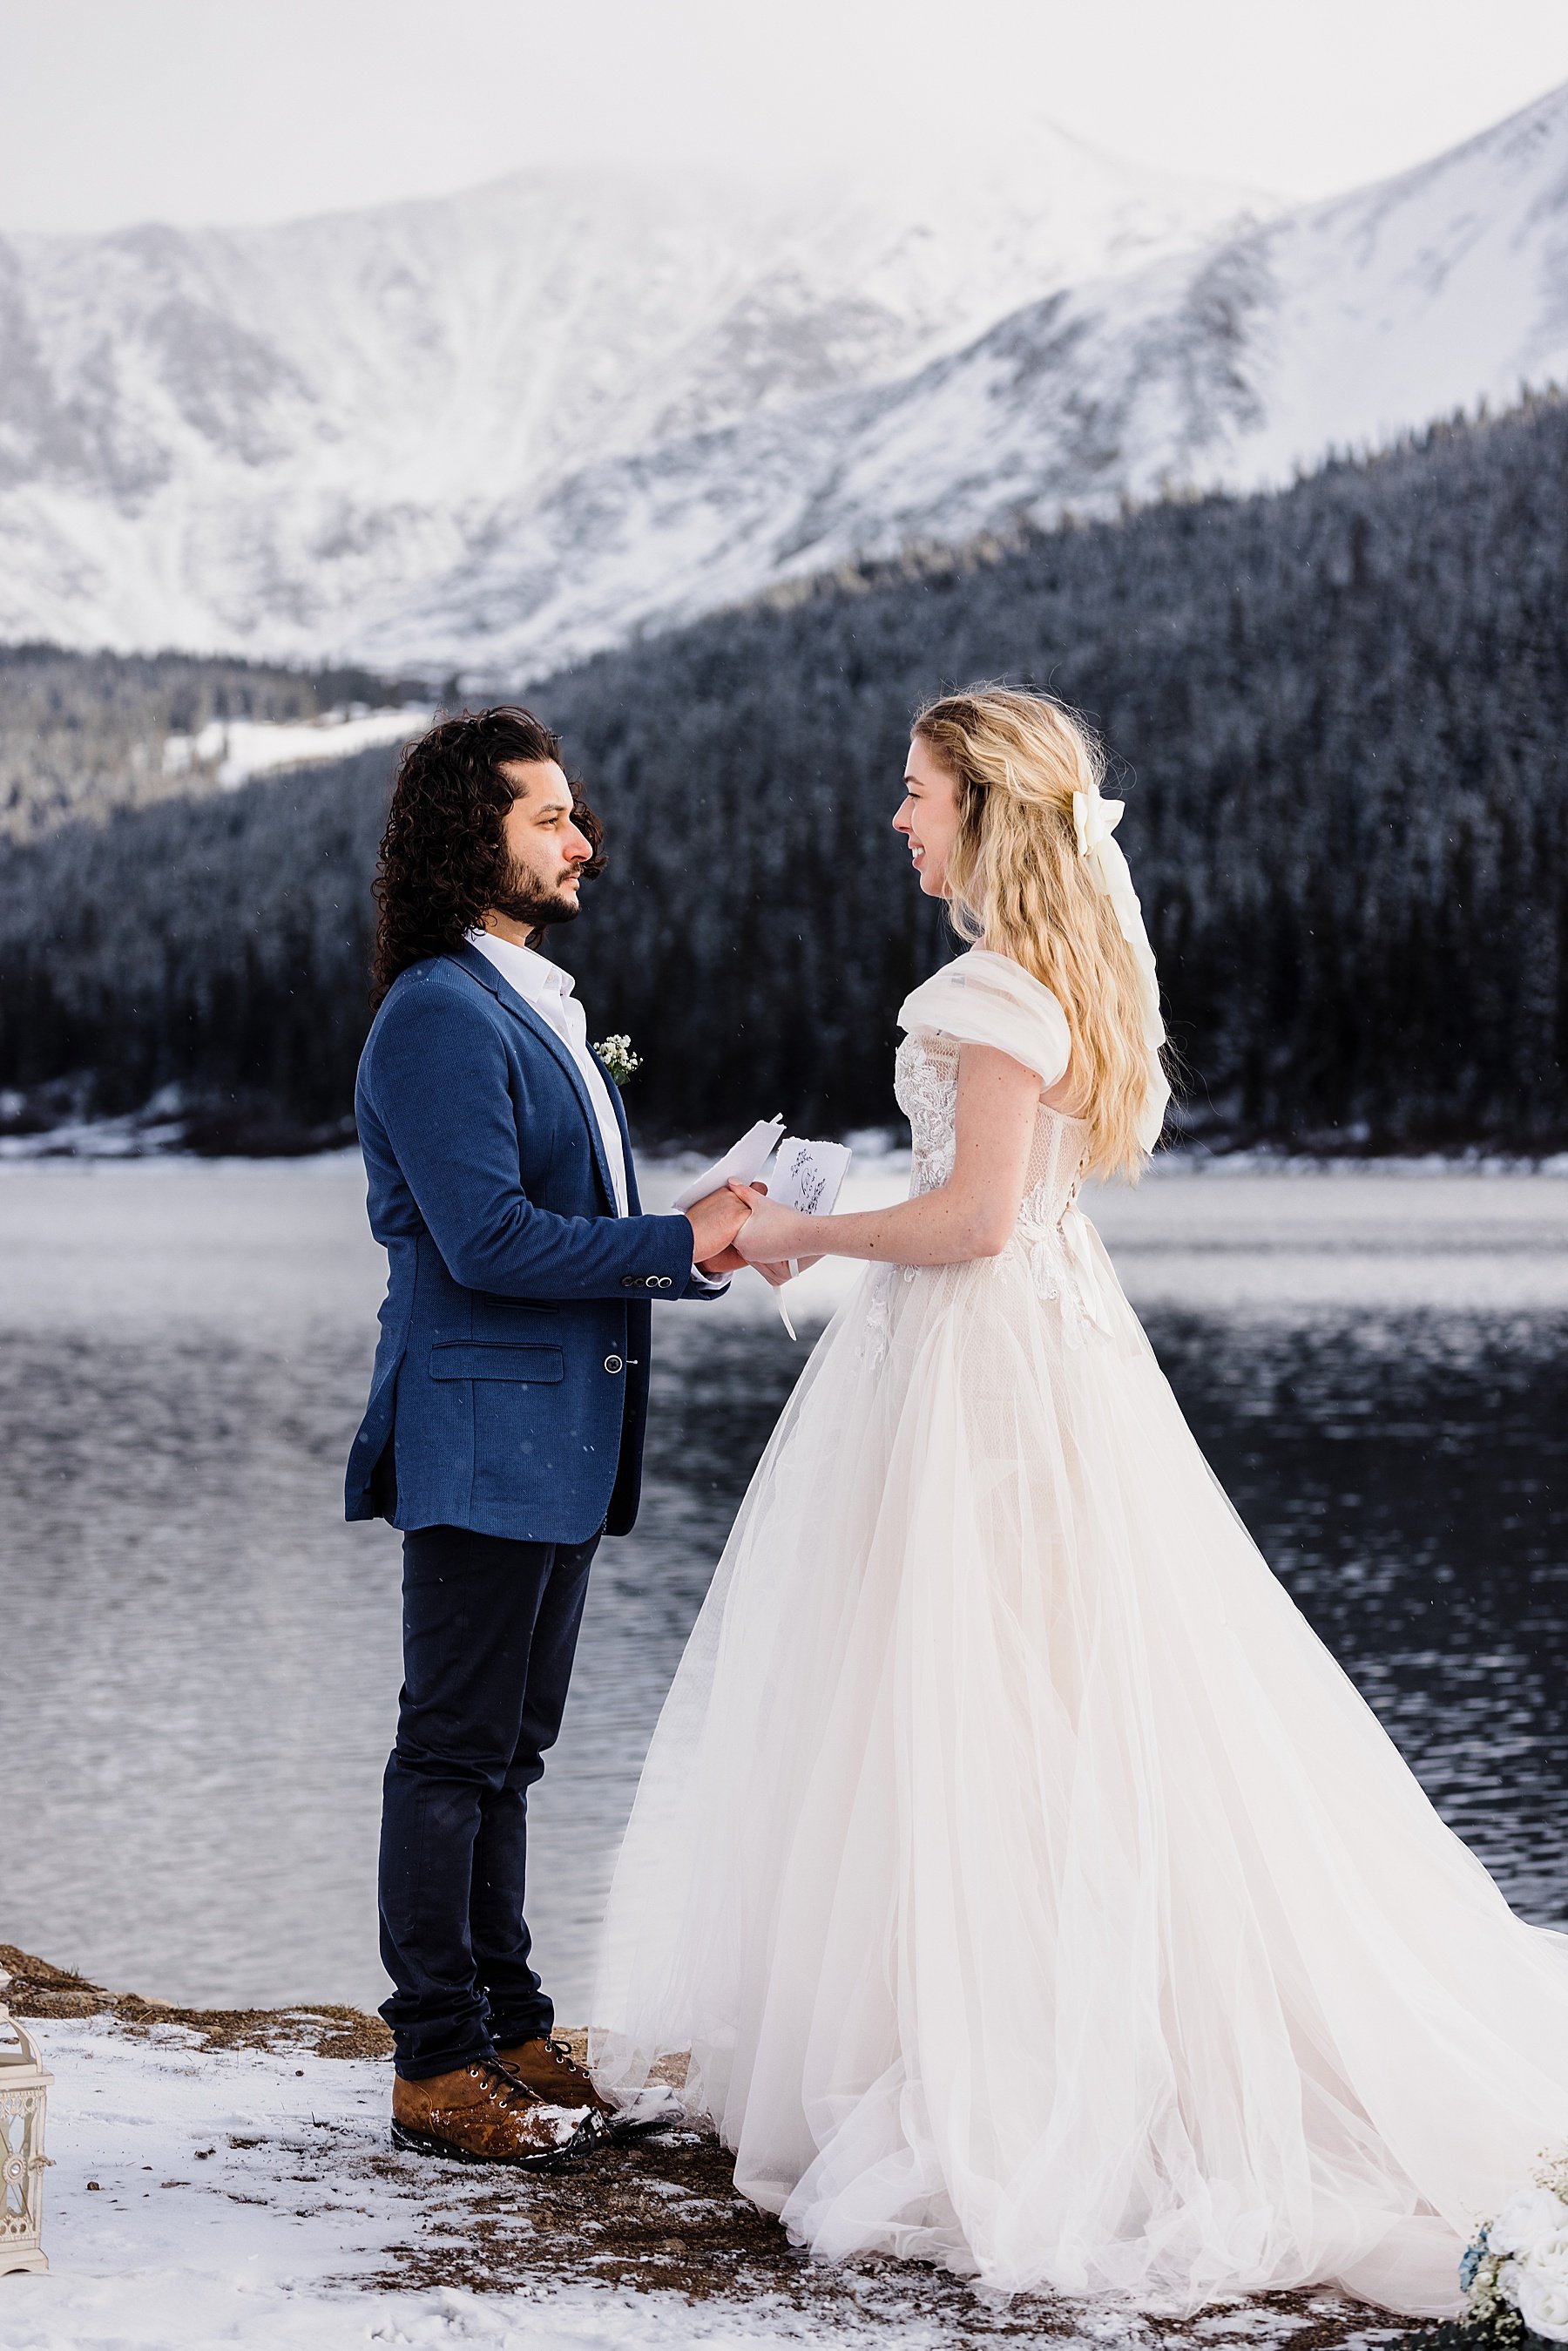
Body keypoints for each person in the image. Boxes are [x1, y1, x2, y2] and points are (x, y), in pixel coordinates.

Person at [592, 684, 1568, 2315]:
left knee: (981, 1697)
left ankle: (1021, 2060)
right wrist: (847, 1201)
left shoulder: (989, 989)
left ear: (984, 804)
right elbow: (994, 1201)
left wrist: (800, 1234)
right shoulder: (1053, 976)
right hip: (1027, 1355)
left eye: (914, 791)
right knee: (1014, 1698)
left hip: (983, 1375)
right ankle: (992, 2016)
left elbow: (975, 1222)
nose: (897, 819)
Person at [346, 705, 754, 2168]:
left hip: (558, 1434)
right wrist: (668, 1241)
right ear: (477, 840)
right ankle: (435, 2062)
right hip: (480, 1436)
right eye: (550, 817)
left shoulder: (526, 998)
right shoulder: (438, 1013)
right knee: (450, 1749)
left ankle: (513, 2026)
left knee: (511, 1750)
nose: (584, 840)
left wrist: (690, 1227)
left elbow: (555, 1214)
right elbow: (491, 1237)